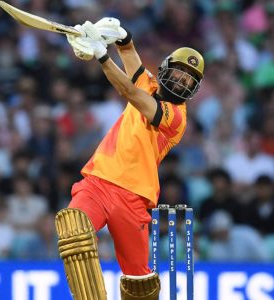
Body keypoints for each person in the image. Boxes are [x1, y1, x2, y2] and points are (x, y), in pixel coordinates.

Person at [55, 18, 204, 299]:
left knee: (140, 281)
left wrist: (101, 54)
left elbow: (130, 92)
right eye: (180, 74)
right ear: (165, 70)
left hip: (133, 197)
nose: (182, 82)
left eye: (189, 81)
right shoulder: (148, 82)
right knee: (74, 228)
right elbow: (130, 57)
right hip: (98, 182)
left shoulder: (177, 118)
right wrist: (122, 36)